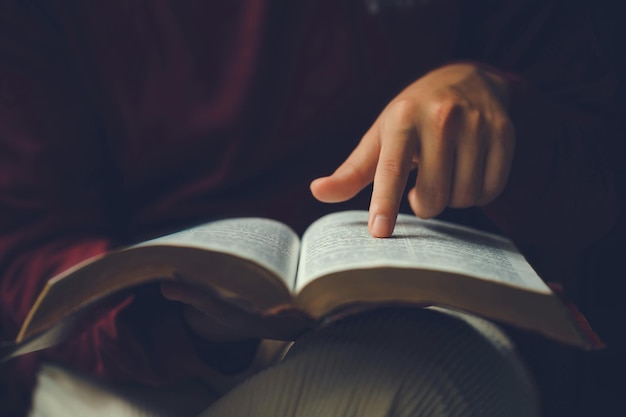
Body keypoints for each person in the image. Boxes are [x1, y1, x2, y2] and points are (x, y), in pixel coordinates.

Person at [0, 0, 621, 416]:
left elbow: (599, 190)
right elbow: (30, 252)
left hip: (382, 326)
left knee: (435, 372)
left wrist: (503, 109)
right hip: (126, 357)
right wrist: (185, 325)